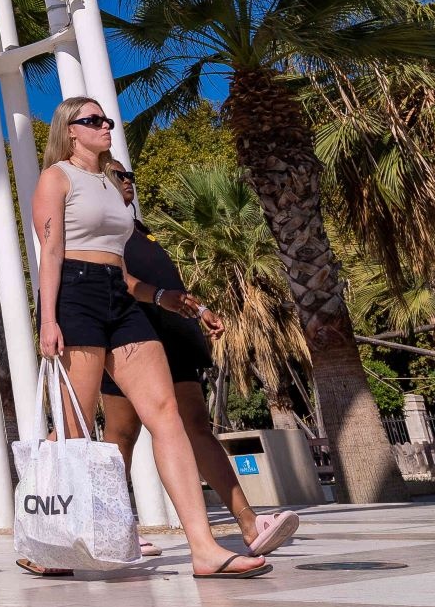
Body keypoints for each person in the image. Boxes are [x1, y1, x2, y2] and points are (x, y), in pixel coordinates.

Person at [33, 99, 268, 580]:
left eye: (107, 120)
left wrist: (170, 299)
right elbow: (51, 252)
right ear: (71, 132)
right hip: (75, 297)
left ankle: (203, 547)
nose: (106, 127)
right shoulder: (56, 177)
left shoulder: (111, 185)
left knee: (167, 416)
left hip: (120, 301)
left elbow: (121, 268)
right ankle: (45, 540)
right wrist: (48, 320)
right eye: (93, 121)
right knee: (75, 430)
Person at [99, 165, 300, 560]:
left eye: (130, 174)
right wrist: (159, 299)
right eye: (117, 174)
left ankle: (249, 522)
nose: (128, 179)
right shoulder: (102, 230)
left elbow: (164, 281)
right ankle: (115, 528)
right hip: (129, 336)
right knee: (121, 435)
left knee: (196, 425)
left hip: (170, 332)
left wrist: (197, 307)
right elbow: (119, 282)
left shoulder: (140, 229)